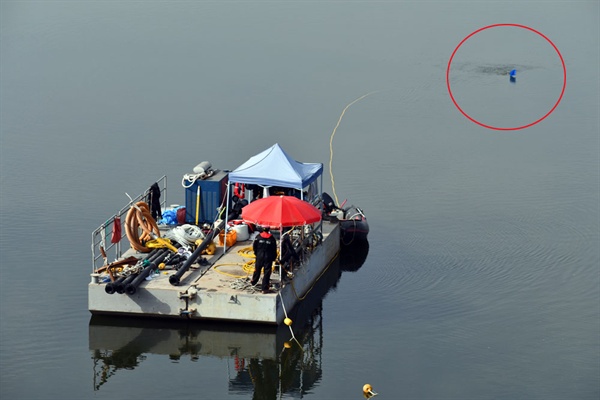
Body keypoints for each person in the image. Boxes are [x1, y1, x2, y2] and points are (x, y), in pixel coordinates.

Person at [251, 226, 277, 293]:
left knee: (257, 269)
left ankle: (253, 282)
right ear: (269, 229)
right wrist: (274, 258)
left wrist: (257, 254)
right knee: (267, 273)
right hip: (268, 258)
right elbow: (274, 250)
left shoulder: (258, 237)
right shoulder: (271, 238)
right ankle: (264, 288)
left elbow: (254, 247)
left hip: (259, 257)